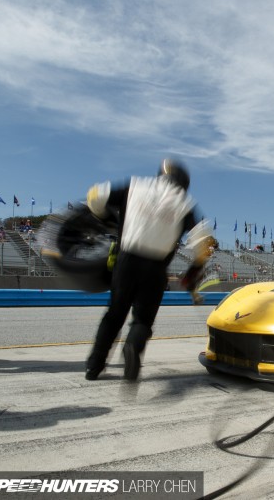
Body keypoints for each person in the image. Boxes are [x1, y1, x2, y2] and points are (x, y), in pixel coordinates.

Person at [84, 158, 213, 382]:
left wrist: (105, 219)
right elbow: (203, 244)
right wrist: (193, 271)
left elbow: (95, 196)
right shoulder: (185, 203)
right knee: (143, 320)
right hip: (156, 268)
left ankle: (94, 366)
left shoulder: (135, 185)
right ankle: (133, 347)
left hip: (127, 260)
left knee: (114, 315)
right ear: (184, 182)